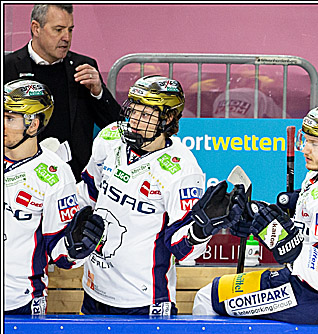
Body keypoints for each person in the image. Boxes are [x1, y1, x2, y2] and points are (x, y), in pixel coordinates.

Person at [192, 106, 318, 323]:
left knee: (208, 298)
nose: (305, 149)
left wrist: (279, 237)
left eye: (315, 144)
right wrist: (259, 217)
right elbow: (308, 230)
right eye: (306, 140)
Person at [78, 75, 227, 316]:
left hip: (144, 300)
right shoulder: (109, 138)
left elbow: (184, 250)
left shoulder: (182, 170)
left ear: (167, 119)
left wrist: (201, 232)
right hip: (94, 288)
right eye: (133, 111)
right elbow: (87, 194)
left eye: (145, 115)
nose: (134, 121)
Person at [4, 78, 103, 315]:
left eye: (9, 119)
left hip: (19, 302)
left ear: (33, 124)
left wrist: (74, 246)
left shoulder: (56, 174)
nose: (2, 124)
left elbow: (61, 254)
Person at [4, 4, 121, 180]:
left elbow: (115, 125)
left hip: (75, 177)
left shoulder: (84, 68)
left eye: (70, 30)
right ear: (36, 28)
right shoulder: (7, 68)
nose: (66, 37)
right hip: (19, 176)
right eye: (58, 30)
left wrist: (98, 92)